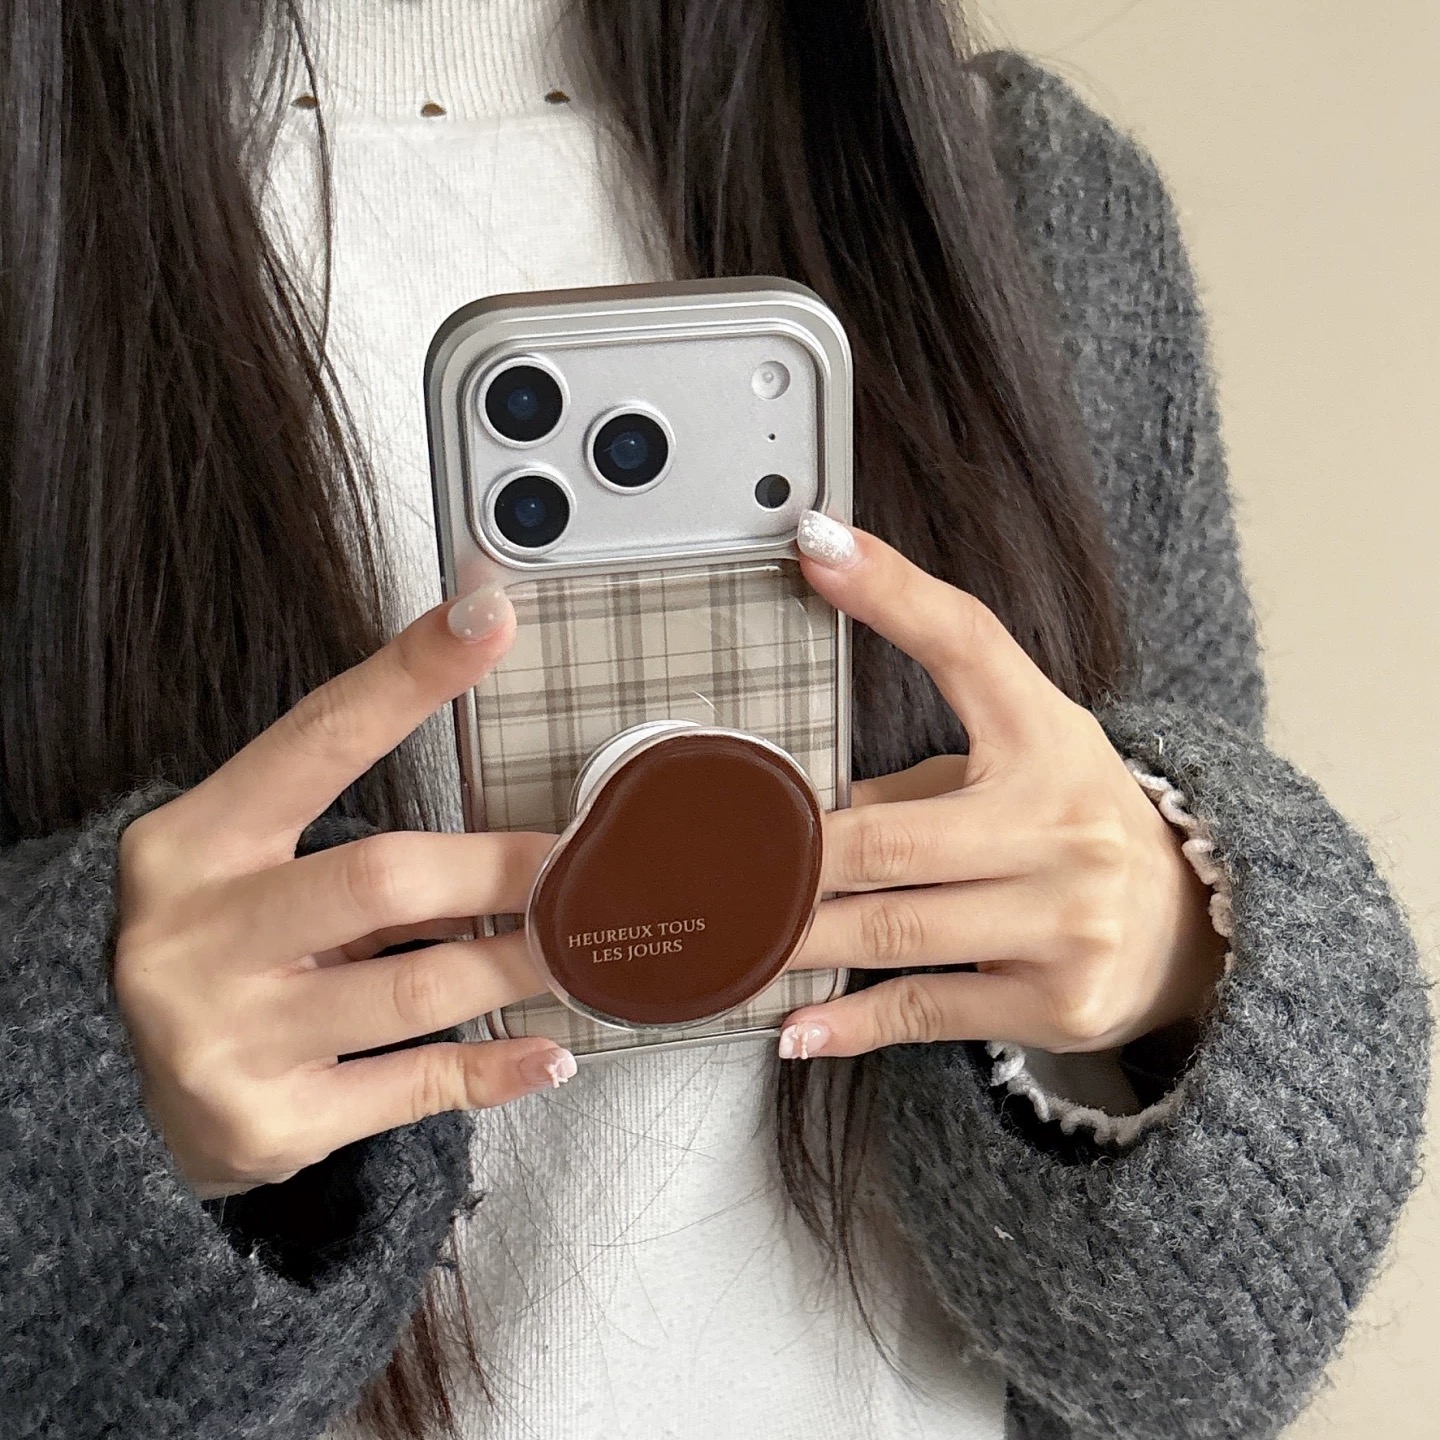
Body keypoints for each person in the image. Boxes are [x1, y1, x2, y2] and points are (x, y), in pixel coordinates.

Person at [1, 2, 1429, 1438]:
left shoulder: (1020, 198)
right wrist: (86, 1108)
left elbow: (1208, 1372)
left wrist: (1175, 965)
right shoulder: (45, 216)